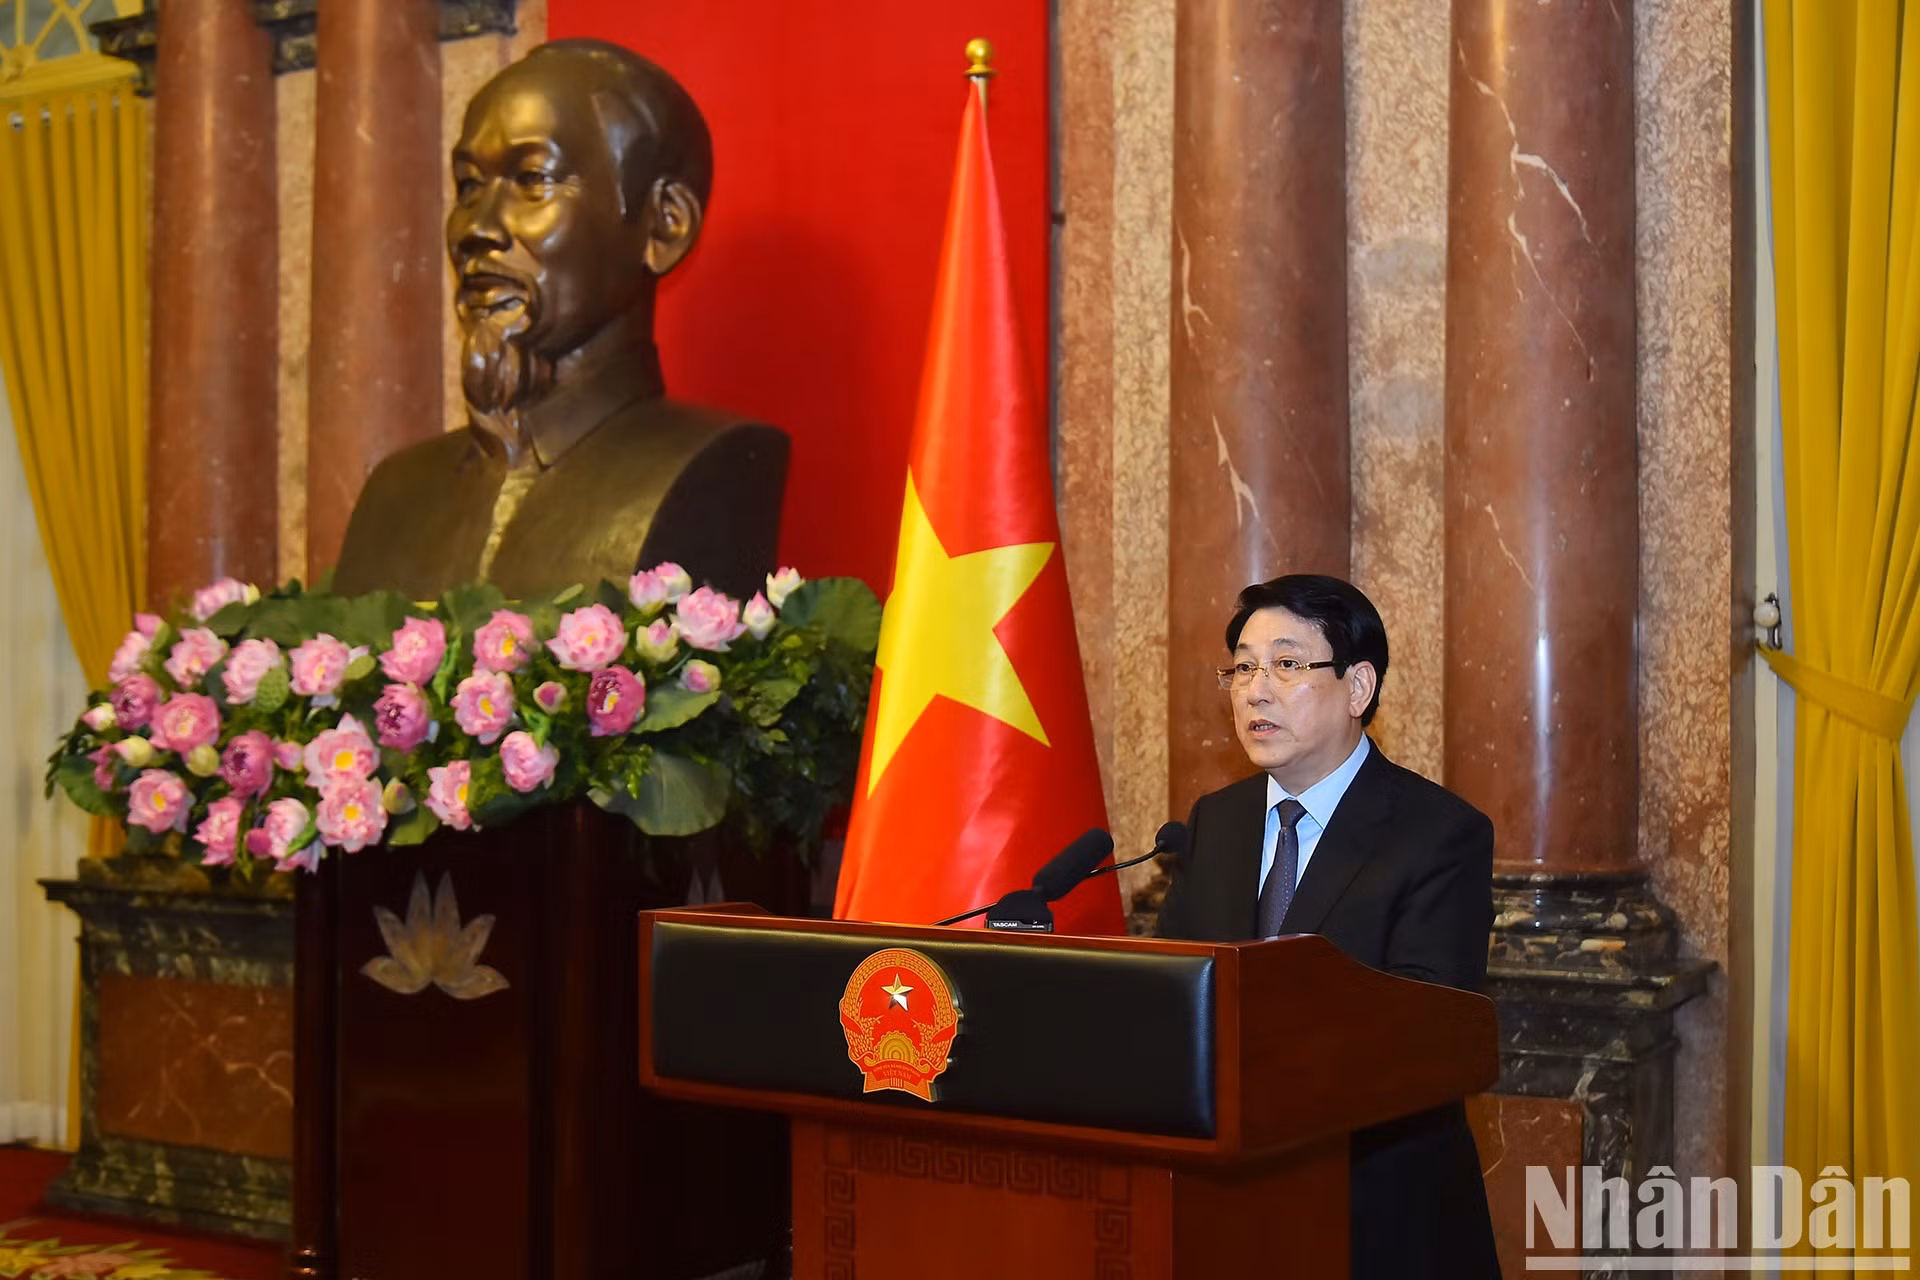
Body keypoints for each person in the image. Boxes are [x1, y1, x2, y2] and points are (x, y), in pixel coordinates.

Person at [333, 39, 786, 601]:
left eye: (532, 180)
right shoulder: (395, 494)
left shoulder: (712, 466)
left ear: (663, 226)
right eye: (470, 187)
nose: (478, 227)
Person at [1156, 573, 1499, 1279]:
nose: (1255, 688)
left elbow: (1422, 1033)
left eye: (1287, 664)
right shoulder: (1216, 822)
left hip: (1378, 1213)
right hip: (1230, 1206)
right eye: (1243, 666)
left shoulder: (1439, 833)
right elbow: (1171, 985)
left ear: (1358, 687)